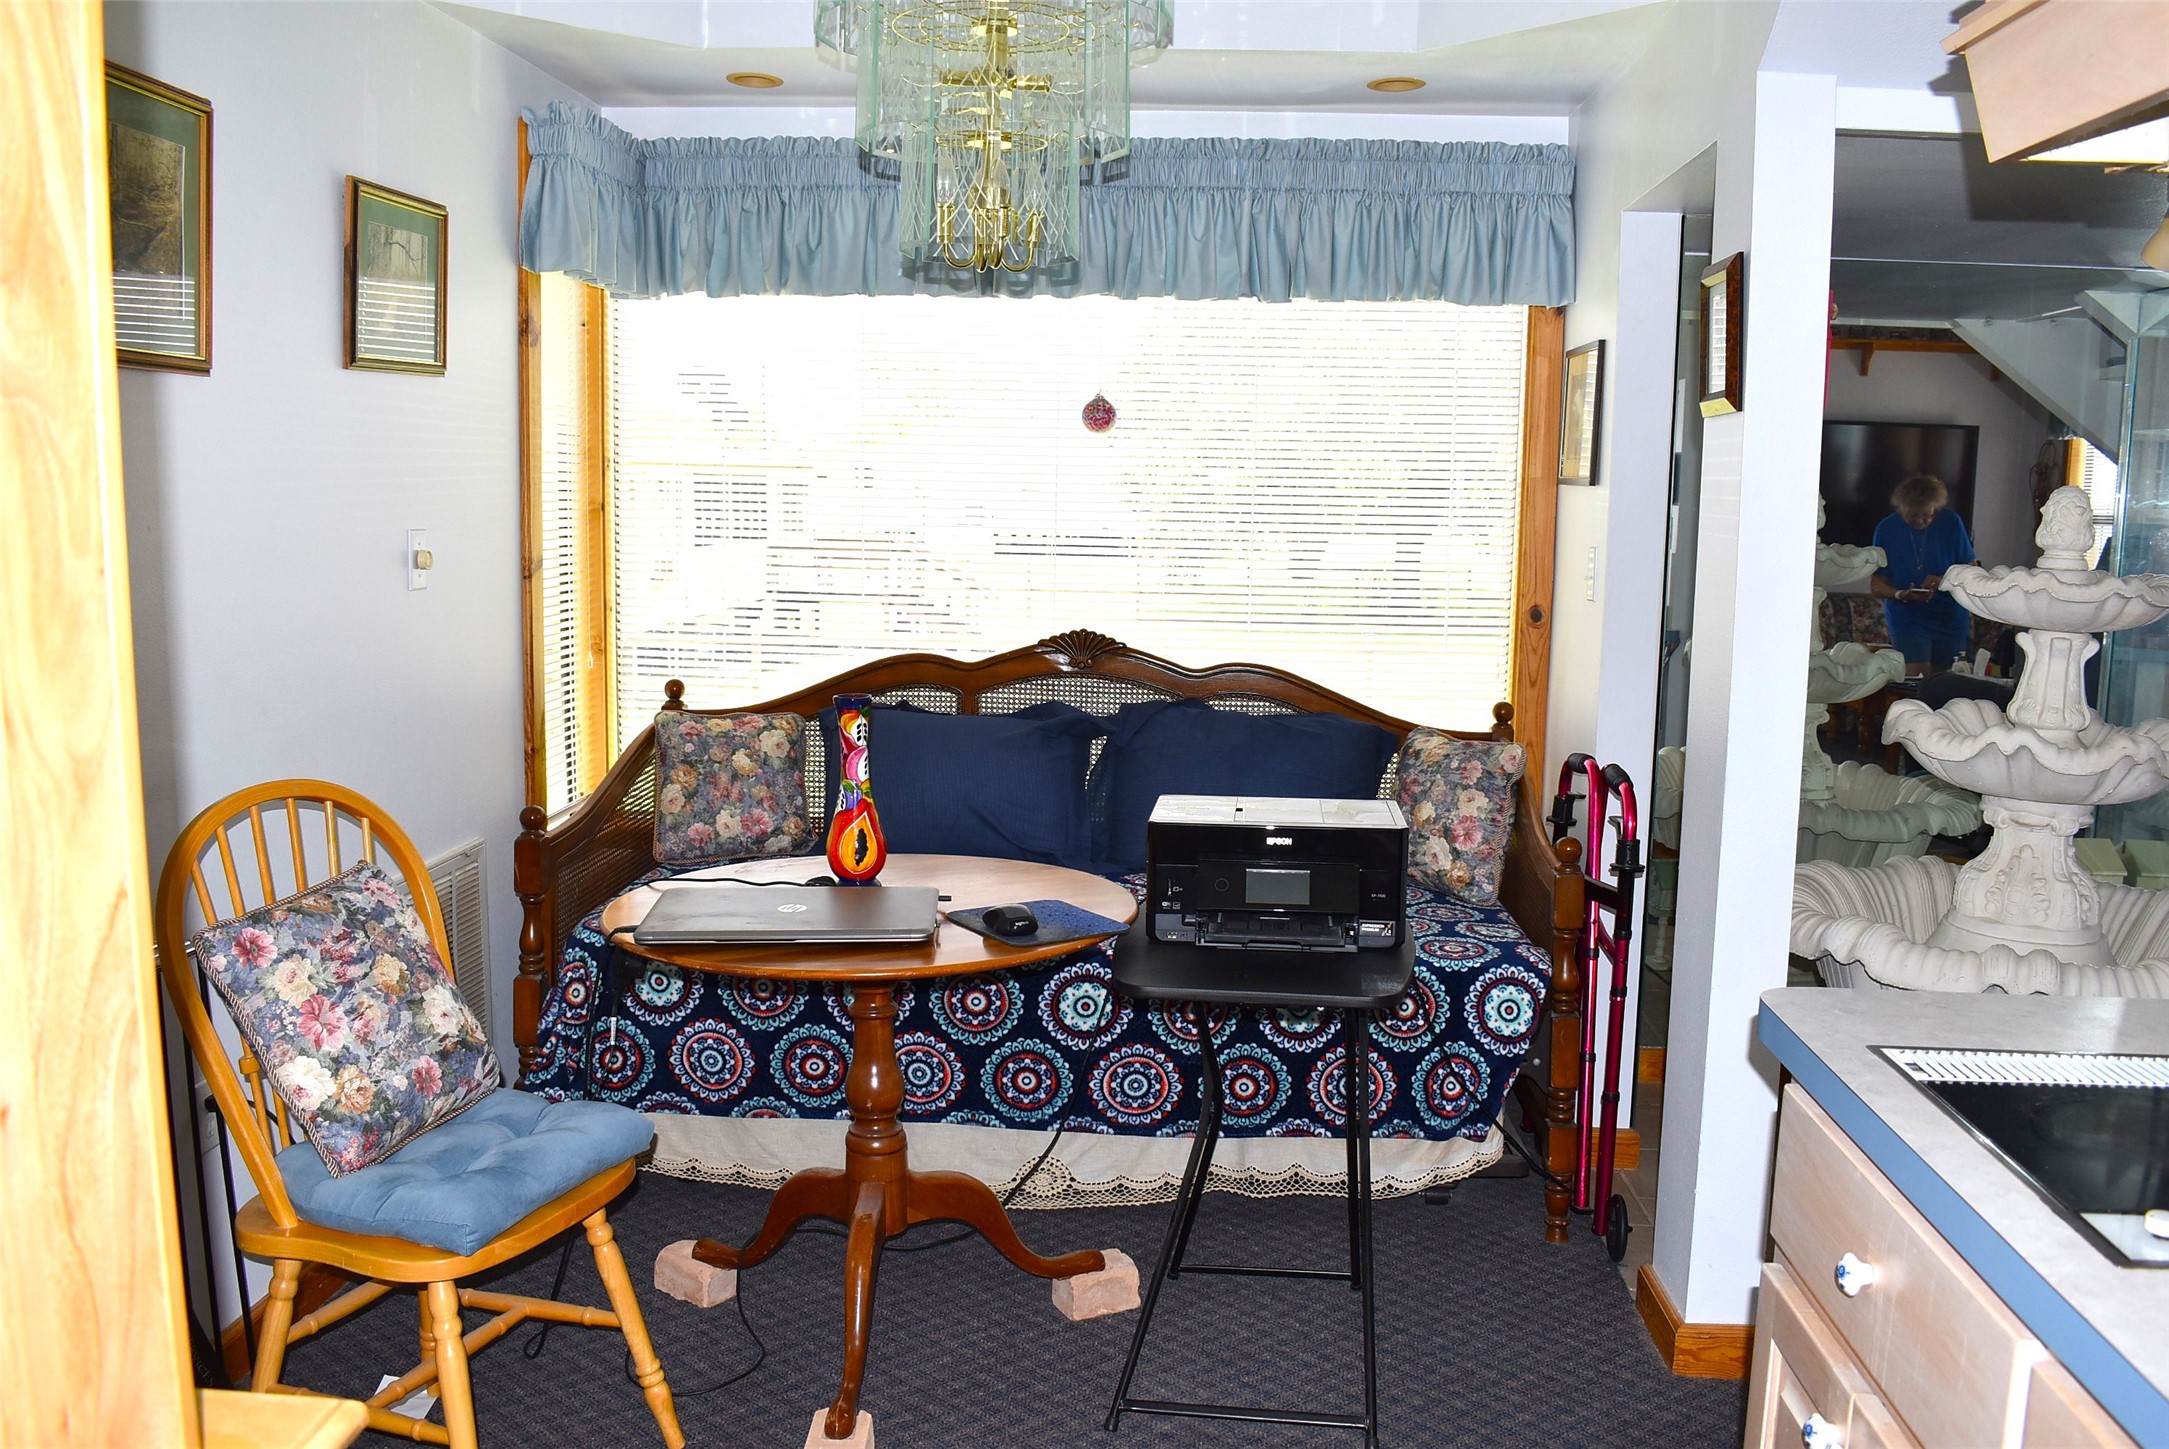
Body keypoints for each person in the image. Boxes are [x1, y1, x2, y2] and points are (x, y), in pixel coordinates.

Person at [1870, 474, 1974, 673]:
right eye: (1913, 514)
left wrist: (1943, 581)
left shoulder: (1951, 522)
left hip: (1949, 617)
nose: (1920, 520)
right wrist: (1900, 594)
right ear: (1901, 508)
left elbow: (1970, 572)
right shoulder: (1886, 529)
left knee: (1947, 683)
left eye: (1927, 514)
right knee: (1916, 679)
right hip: (1908, 619)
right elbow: (1876, 584)